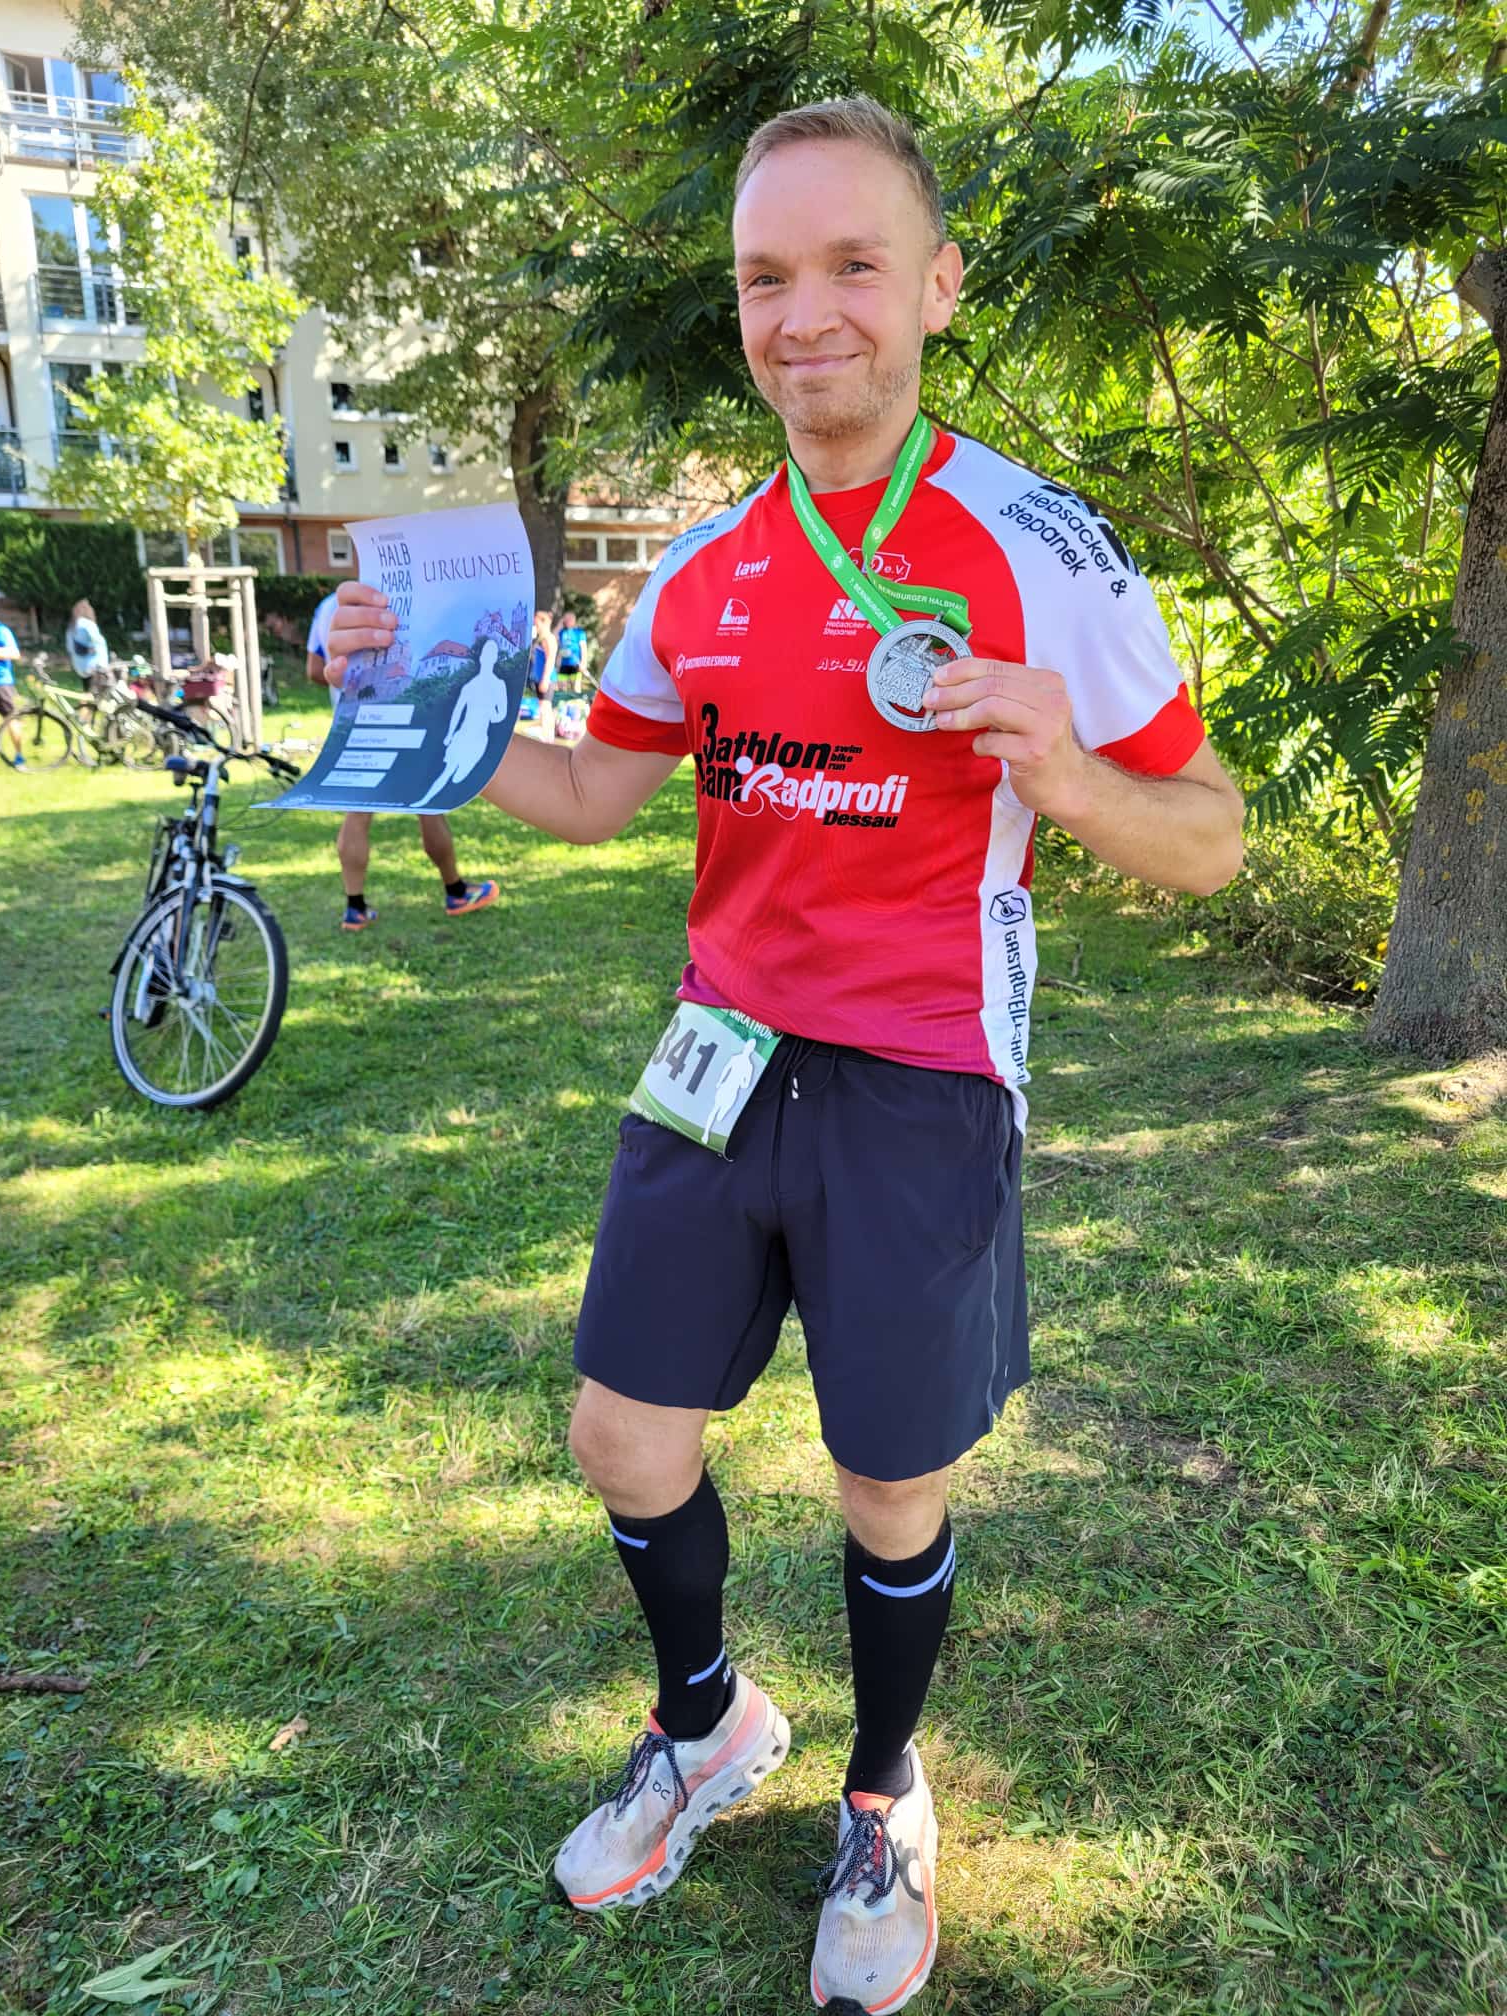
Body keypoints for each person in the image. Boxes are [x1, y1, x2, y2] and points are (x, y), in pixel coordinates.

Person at [326, 95, 1244, 2013]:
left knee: (885, 1481)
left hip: (920, 1071)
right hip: (717, 1052)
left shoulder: (1030, 543)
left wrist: (1063, 769)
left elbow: (1211, 829)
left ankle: (886, 1792)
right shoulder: (711, 563)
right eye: (765, 275)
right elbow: (587, 791)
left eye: (847, 264)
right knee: (620, 1434)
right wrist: (408, 704)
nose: (801, 311)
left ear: (934, 284)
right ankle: (708, 1727)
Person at [307, 586, 496, 931]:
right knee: (427, 805)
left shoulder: (328, 607)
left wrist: (346, 681)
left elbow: (313, 669)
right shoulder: (403, 599)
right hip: (405, 718)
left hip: (354, 724)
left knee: (358, 813)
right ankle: (455, 890)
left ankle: (355, 908)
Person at [412, 640, 510, 808]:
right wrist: (450, 734)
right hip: (463, 735)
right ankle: (424, 801)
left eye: (491, 654)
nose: (487, 658)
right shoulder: (470, 685)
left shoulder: (498, 685)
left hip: (479, 739)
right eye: (485, 654)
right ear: (481, 658)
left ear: (494, 658)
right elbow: (457, 712)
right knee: (447, 772)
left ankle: (455, 779)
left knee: (459, 777)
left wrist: (492, 714)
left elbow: (502, 714)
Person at [0, 613, 22, 767]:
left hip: (0, 683)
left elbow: (14, 653)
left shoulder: (1, 630)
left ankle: (19, 757)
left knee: (11, 719)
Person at [528, 609, 559, 742]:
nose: (535, 626)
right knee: (543, 706)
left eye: (537, 623)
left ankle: (548, 737)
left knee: (545, 707)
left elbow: (550, 659)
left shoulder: (548, 639)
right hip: (539, 677)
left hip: (546, 678)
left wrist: (545, 679)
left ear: (543, 622)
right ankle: (545, 733)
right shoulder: (540, 637)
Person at [65, 599, 109, 689]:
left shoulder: (71, 628)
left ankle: (87, 697)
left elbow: (70, 649)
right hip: (95, 666)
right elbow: (97, 640)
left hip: (79, 668)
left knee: (87, 690)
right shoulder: (88, 624)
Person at [555, 610, 588, 686]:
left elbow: (583, 648)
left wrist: (583, 663)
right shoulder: (561, 632)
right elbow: (558, 644)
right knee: (561, 686)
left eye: (569, 619)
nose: (567, 621)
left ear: (573, 620)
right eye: (566, 619)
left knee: (575, 687)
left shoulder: (579, 632)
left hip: (575, 664)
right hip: (563, 664)